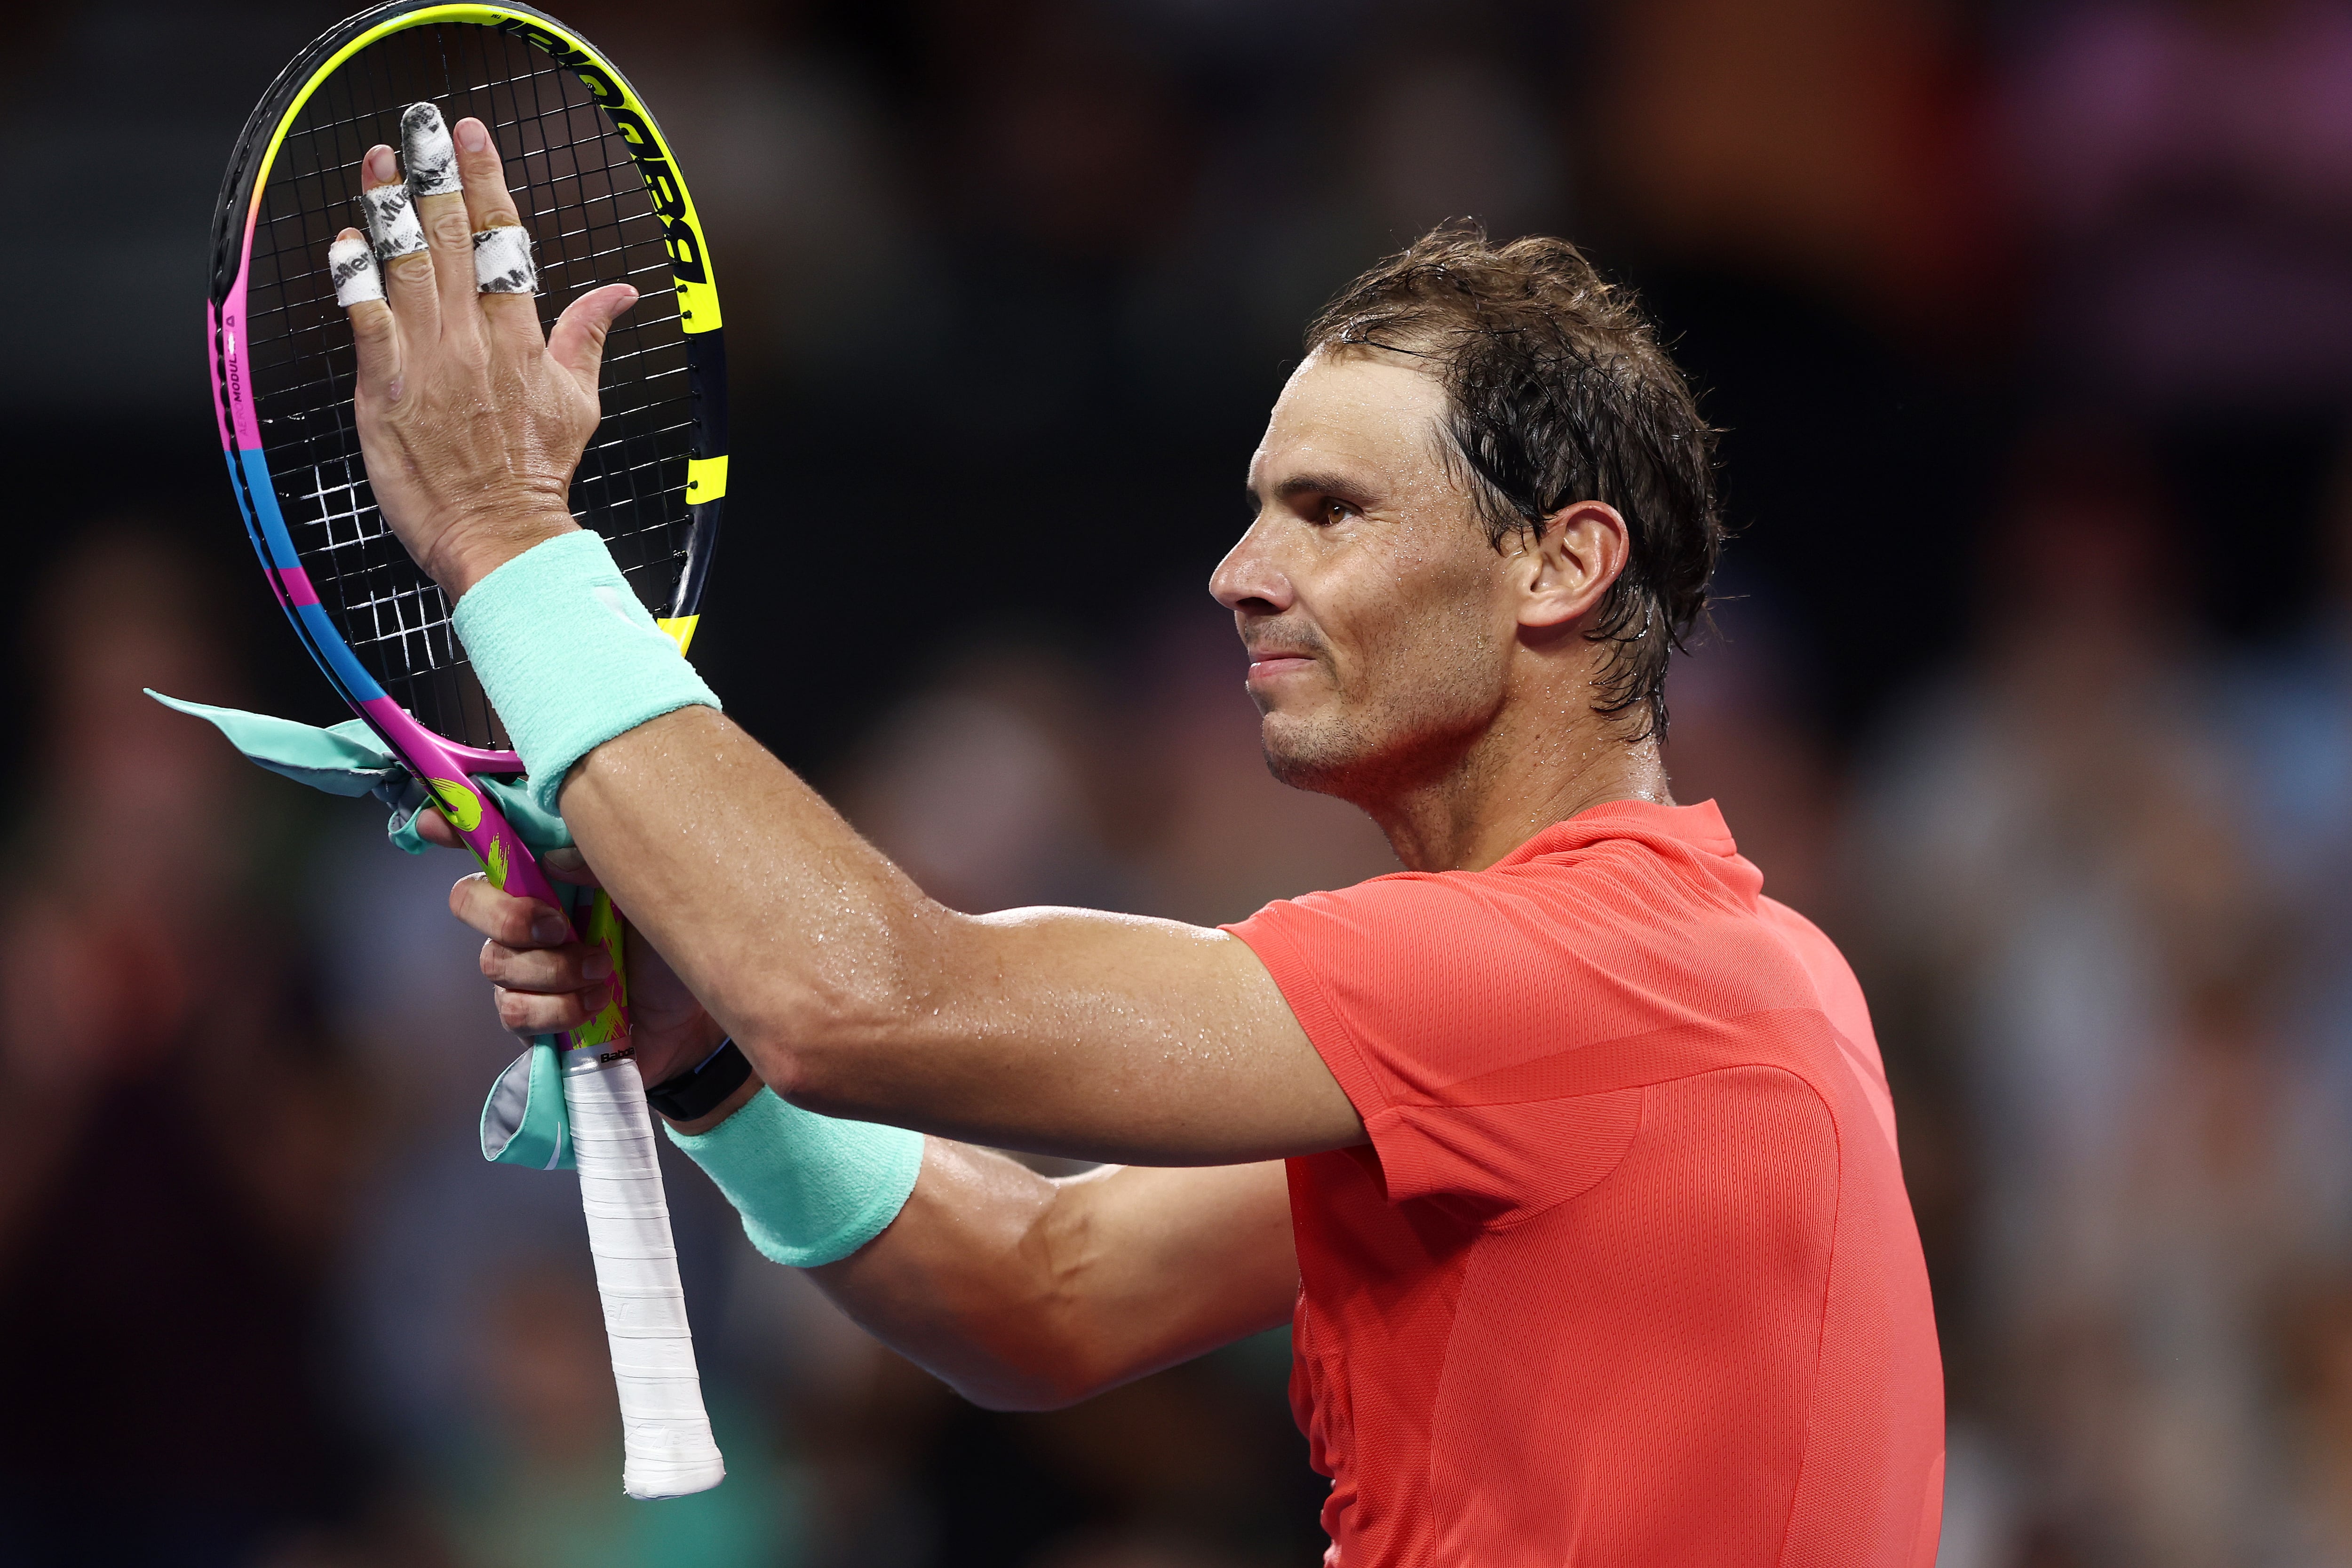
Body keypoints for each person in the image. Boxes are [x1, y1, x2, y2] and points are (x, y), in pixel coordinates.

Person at [337, 116, 1944, 1563]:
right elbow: (1049, 1289)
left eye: (1329, 511)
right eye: (1255, 509)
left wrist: (510, 540)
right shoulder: (1654, 998)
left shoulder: (1602, 974)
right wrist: (708, 1065)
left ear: (1558, 566)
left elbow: (868, 998)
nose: (1238, 574)